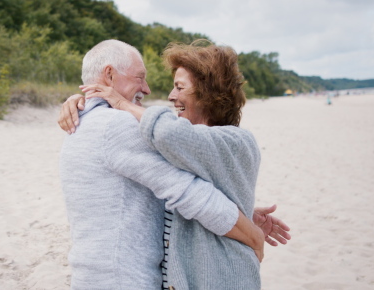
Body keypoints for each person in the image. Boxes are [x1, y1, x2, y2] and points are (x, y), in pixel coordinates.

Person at [58, 40, 290, 289]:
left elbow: (163, 188)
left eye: (179, 87)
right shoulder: (117, 126)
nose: (147, 89)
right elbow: (194, 195)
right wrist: (252, 235)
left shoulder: (81, 123)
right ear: (110, 75)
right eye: (140, 78)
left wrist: (241, 208)